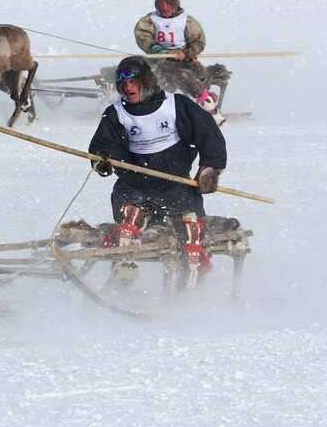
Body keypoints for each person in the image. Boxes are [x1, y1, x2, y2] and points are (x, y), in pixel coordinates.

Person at [89, 56, 227, 288]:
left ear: (146, 82)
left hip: (177, 187)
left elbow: (209, 135)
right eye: (123, 85)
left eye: (133, 82)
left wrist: (209, 169)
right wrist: (103, 159)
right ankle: (123, 276)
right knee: (127, 226)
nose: (128, 88)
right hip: (135, 186)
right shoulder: (116, 113)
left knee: (191, 236)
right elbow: (102, 146)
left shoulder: (177, 105)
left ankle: (189, 293)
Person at [134, 0, 225, 124]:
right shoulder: (149, 20)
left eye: (168, 4)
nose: (165, 8)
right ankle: (210, 109)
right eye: (161, 5)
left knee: (200, 73)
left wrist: (187, 52)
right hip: (160, 62)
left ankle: (201, 101)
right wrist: (157, 50)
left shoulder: (187, 21)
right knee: (182, 76)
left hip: (184, 60)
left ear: (175, 5)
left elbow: (198, 42)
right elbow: (143, 37)